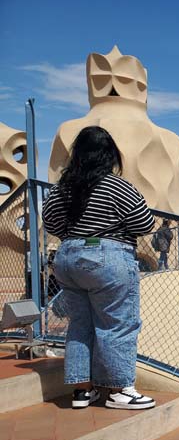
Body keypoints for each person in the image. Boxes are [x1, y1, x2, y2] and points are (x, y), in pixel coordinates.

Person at [42, 126, 156, 410]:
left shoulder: (62, 189)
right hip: (107, 257)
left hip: (68, 257)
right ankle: (120, 390)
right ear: (110, 155)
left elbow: (52, 224)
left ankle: (82, 390)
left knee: (80, 325)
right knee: (118, 324)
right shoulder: (117, 186)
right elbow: (144, 223)